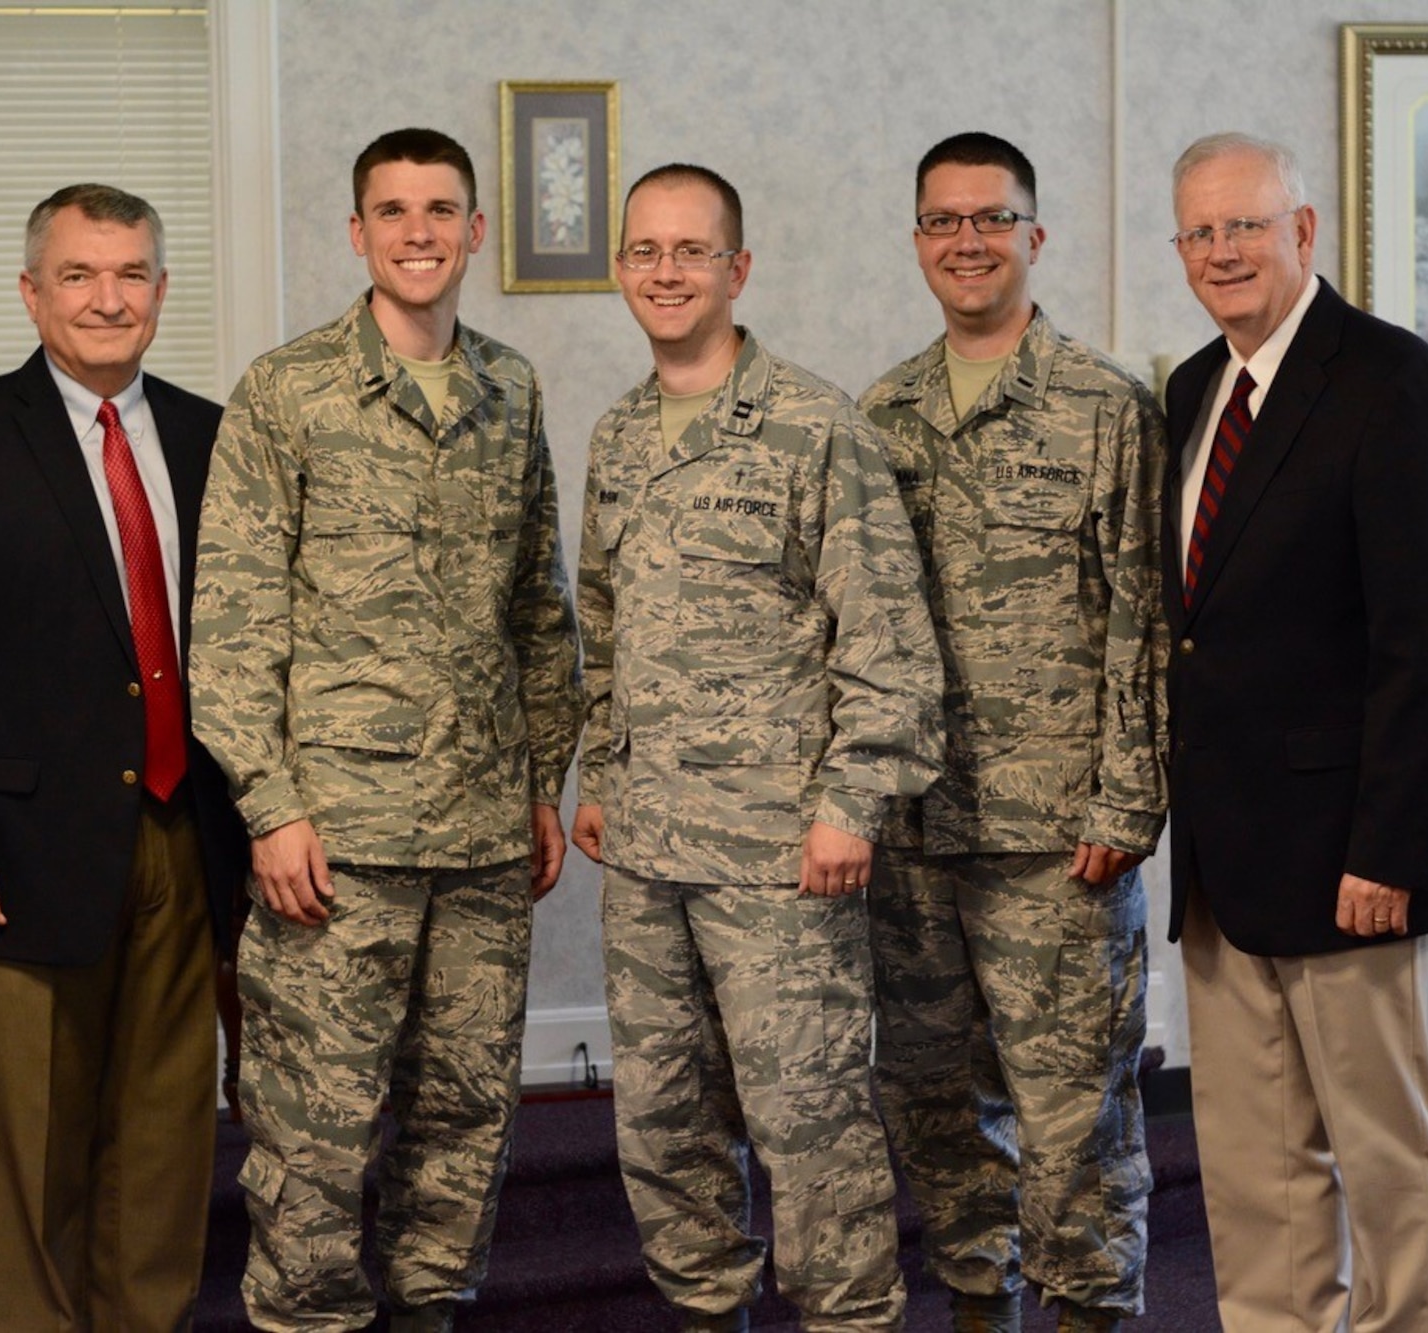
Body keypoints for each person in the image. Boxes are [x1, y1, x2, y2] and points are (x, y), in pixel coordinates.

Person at [188, 127, 584, 1333]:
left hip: (476, 838)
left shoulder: (509, 389)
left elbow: (537, 605)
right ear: (356, 234)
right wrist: (271, 806)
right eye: (393, 210)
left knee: (465, 1122)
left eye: (441, 209)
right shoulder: (285, 391)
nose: (418, 231)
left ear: (473, 231)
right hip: (335, 844)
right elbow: (232, 624)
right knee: (315, 1132)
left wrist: (537, 780)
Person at [0, 182, 249, 1329]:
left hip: (186, 846)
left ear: (163, 292)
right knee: (37, 1157)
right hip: (15, 859)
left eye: (130, 274)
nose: (106, 298)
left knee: (167, 1138)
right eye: (78, 275)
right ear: (31, 293)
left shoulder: (207, 435)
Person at [571, 162, 945, 1333]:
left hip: (779, 855)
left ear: (738, 269)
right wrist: (596, 763)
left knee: (811, 1129)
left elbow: (887, 638)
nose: (666, 271)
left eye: (692, 251)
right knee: (664, 1126)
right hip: (643, 851)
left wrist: (853, 801)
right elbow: (600, 620)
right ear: (621, 269)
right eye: (645, 251)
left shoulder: (810, 423)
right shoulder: (621, 432)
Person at [1162, 132, 1428, 1332]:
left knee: (1381, 1160)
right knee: (1252, 1167)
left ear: (1304, 232)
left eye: (1244, 225)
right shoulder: (1193, 389)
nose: (1221, 252)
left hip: (1349, 853)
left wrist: (1388, 849)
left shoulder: (1389, 381)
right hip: (1222, 854)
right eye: (1199, 233)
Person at [858, 133, 1169, 1333]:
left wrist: (1125, 802)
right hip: (912, 832)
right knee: (934, 1103)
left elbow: (1144, 618)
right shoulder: (878, 414)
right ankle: (980, 1311)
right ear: (918, 242)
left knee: (1072, 1117)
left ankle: (1088, 1313)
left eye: (991, 219)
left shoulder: (1104, 409)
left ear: (1033, 238)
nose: (967, 241)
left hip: (1057, 836)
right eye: (943, 221)